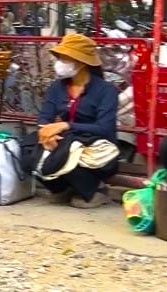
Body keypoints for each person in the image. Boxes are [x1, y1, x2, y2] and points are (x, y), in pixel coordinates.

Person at [33, 34, 120, 208]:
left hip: (97, 149)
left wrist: (66, 125)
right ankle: (62, 189)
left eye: (65, 58)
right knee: (29, 150)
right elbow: (45, 117)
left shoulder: (106, 90)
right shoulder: (57, 88)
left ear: (81, 63)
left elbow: (105, 128)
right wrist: (46, 133)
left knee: (69, 150)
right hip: (65, 142)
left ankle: (95, 191)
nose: (60, 63)